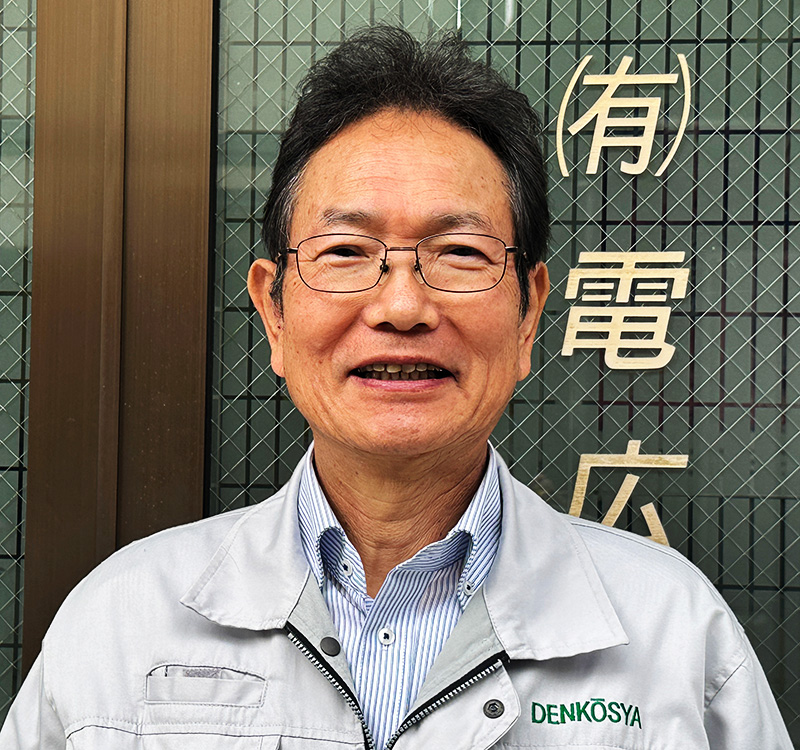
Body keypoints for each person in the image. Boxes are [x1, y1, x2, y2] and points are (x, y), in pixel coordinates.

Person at [1, 26, 792, 750]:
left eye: (460, 253)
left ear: (529, 314)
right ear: (273, 312)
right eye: (346, 251)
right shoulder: (121, 624)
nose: (403, 307)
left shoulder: (675, 636)